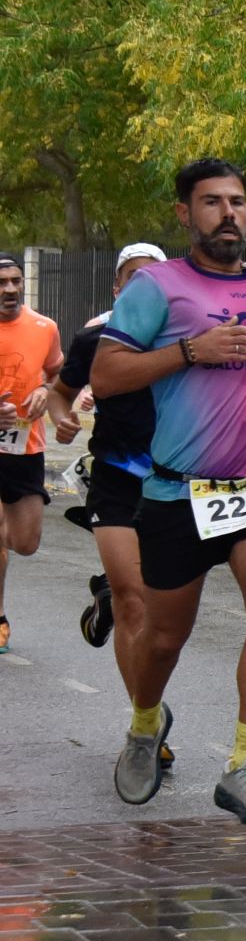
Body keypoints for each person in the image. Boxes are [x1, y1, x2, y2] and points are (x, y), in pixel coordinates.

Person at [92, 159, 246, 820]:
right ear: (184, 214)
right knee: (163, 641)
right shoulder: (157, 289)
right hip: (177, 493)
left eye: (239, 202)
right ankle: (145, 725)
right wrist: (190, 351)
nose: (229, 214)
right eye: (213, 203)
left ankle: (245, 764)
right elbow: (108, 376)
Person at [46, 244, 175, 798]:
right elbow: (60, 395)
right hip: (116, 478)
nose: (142, 287)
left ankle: (106, 596)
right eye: (132, 279)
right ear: (119, 289)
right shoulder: (93, 338)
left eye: (154, 279)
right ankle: (145, 724)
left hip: (175, 482)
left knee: (166, 616)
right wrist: (63, 420)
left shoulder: (185, 337)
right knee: (136, 602)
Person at [0, 255, 63, 654]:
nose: (9, 289)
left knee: (25, 543)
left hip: (25, 446)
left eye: (15, 281)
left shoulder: (45, 327)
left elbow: (59, 372)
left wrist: (46, 389)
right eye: (1, 282)